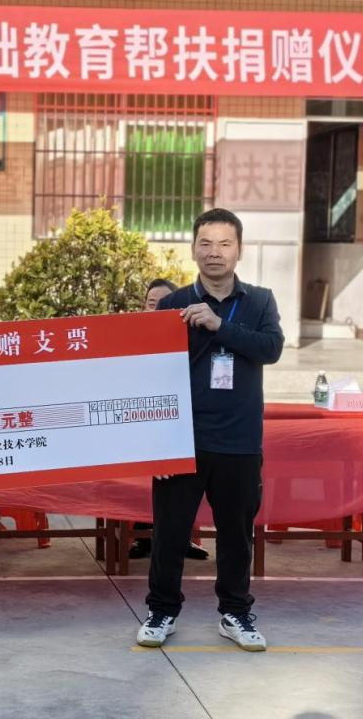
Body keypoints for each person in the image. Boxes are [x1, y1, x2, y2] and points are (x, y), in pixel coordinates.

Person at [136, 208, 283, 652]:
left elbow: (271, 348)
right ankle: (161, 611)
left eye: (224, 243)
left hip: (239, 441)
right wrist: (159, 444)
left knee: (236, 535)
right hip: (184, 441)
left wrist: (220, 326)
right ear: (193, 249)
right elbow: (153, 378)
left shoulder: (260, 301)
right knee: (170, 533)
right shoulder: (173, 304)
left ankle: (235, 613)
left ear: (239, 250)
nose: (214, 252)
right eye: (205, 243)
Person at [129, 278, 209, 563]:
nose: (158, 310)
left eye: (166, 305)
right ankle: (141, 536)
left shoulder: (194, 340)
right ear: (143, 307)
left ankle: (181, 539)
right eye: (153, 304)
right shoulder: (130, 340)